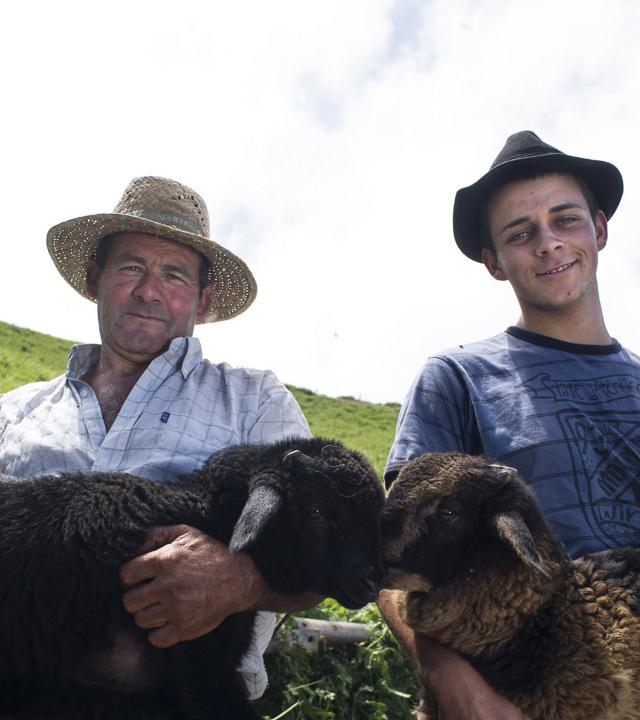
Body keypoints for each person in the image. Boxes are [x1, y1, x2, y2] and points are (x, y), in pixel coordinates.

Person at [0, 175, 318, 700]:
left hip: (186, 700)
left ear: (202, 298)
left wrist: (241, 581)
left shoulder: (254, 400)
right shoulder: (14, 413)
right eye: (131, 267)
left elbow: (325, 552)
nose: (149, 290)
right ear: (93, 277)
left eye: (174, 275)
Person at [378, 131, 640, 719]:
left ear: (598, 230)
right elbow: (395, 555)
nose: (548, 244)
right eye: (520, 233)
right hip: (519, 693)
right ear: (495, 261)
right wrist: (456, 688)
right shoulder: (456, 379)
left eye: (564, 220)